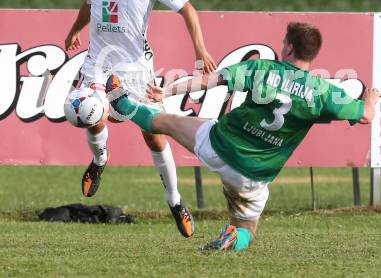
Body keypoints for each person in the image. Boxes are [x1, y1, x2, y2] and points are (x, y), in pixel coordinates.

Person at [104, 22, 381, 251]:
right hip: (254, 175)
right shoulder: (322, 92)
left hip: (220, 145)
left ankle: (124, 105)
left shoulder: (262, 69)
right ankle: (234, 238)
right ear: (313, 54)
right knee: (247, 228)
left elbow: (209, 81)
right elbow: (366, 116)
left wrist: (167, 92)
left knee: (165, 122)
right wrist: (371, 100)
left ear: (289, 47)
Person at [64, 0, 216, 238]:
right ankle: (100, 160)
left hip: (136, 73)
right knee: (91, 114)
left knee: (154, 134)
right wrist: (75, 29)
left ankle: (175, 202)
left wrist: (200, 50)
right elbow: (90, 4)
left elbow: (187, 7)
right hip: (96, 65)